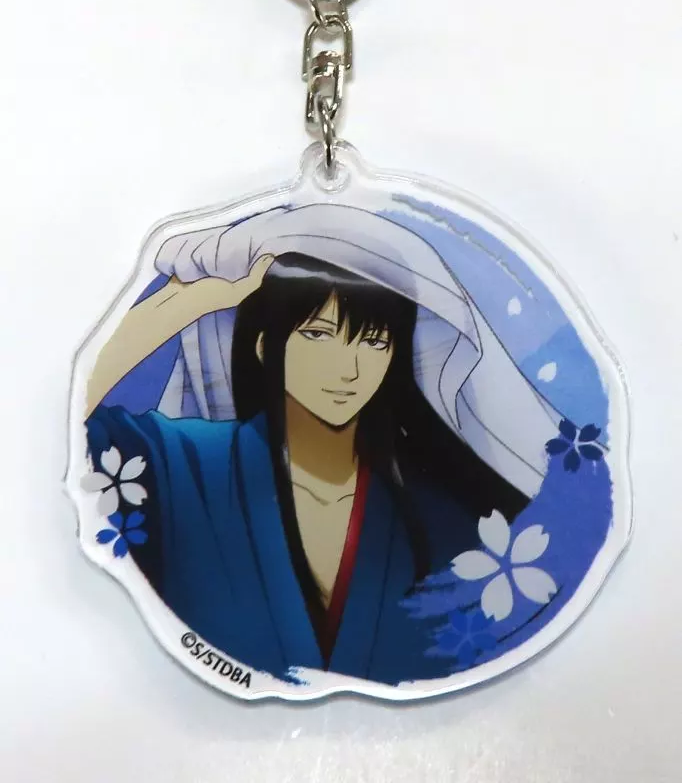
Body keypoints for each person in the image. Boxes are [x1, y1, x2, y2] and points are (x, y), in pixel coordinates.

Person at [85, 204, 559, 684]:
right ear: (265, 345)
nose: (348, 369)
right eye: (317, 334)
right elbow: (71, 421)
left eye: (374, 342)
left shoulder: (440, 518)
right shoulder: (182, 465)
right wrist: (190, 301)